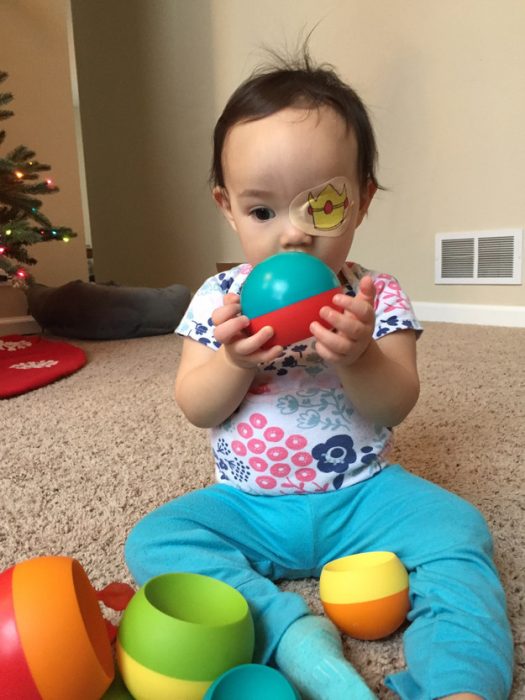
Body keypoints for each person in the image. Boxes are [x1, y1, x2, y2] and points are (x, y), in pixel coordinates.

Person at [125, 50, 513, 699]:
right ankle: (289, 630)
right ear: (226, 207)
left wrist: (359, 355)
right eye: (261, 212)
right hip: (248, 506)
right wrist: (231, 361)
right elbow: (196, 406)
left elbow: (393, 404)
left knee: (459, 530)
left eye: (321, 206)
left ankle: (458, 678)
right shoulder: (217, 299)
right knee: (156, 540)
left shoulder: (374, 296)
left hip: (365, 498)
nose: (292, 237)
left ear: (359, 202)